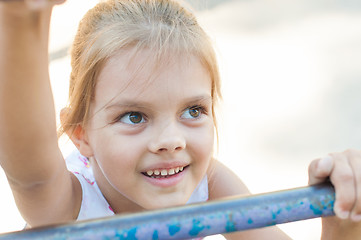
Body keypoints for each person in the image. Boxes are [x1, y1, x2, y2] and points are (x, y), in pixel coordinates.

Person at [0, 0, 360, 239]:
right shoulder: (69, 203)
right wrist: (20, 19)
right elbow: (29, 171)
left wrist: (344, 214)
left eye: (193, 111)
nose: (171, 140)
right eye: (134, 116)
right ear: (80, 134)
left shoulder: (208, 181)